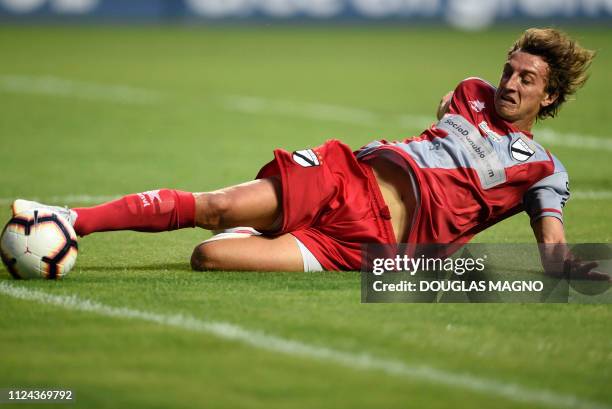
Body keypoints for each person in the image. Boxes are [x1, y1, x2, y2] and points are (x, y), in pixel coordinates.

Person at [9, 28, 602, 276]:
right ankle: (70, 220)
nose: (510, 82)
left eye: (527, 79)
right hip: (347, 177)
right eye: (510, 69)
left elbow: (550, 242)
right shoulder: (471, 94)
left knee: (208, 256)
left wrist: (568, 267)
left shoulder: (544, 170)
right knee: (216, 205)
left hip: (367, 244)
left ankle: (261, 230)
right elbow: (441, 126)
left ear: (548, 95)